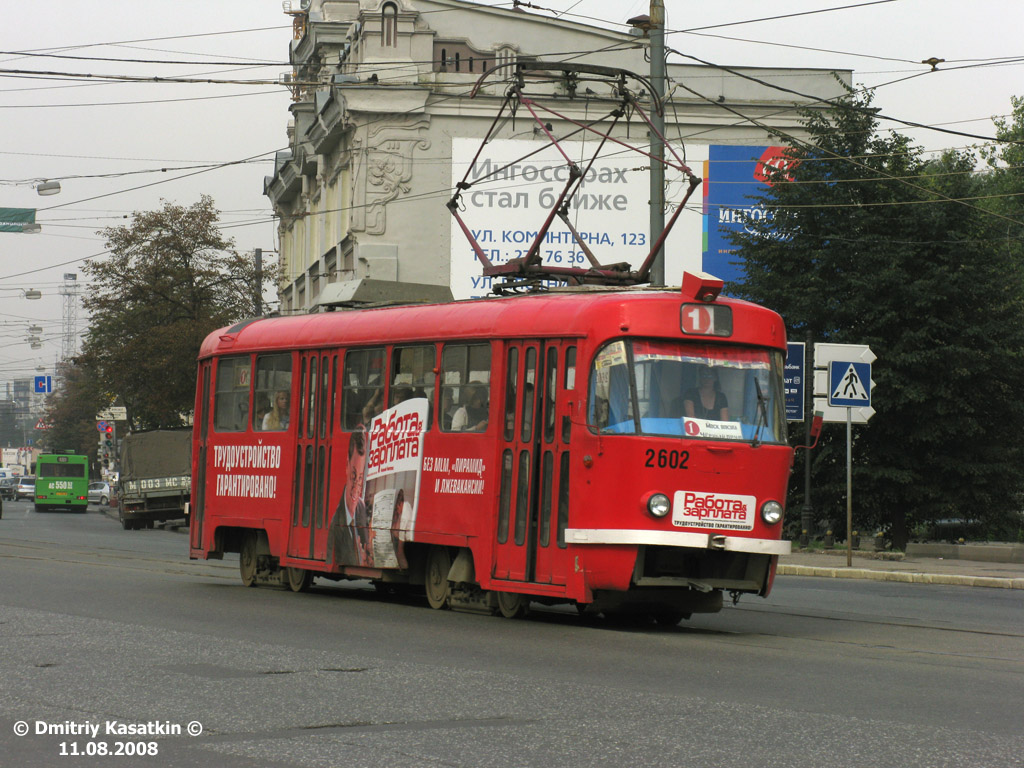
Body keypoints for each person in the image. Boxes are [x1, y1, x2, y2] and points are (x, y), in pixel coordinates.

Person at [328, 430, 371, 566]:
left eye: (360, 478)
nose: (356, 488)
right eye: (353, 476)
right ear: (347, 465)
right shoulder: (335, 525)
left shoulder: (361, 507)